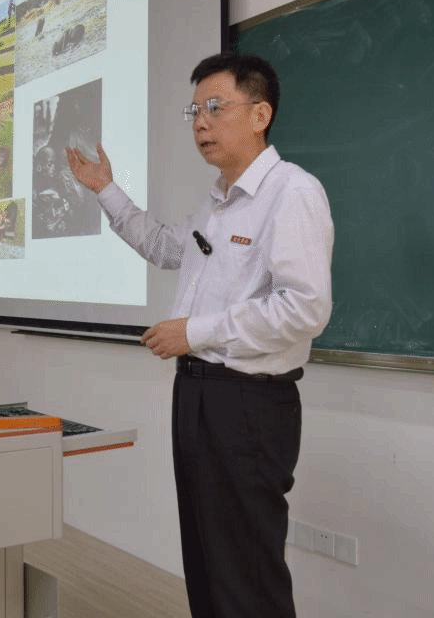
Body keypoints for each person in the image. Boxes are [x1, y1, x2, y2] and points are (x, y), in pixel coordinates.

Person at [65, 52, 334, 618]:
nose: (201, 123)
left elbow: (305, 308)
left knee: (246, 575)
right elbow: (166, 246)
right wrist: (106, 189)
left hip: (249, 404)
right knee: (207, 562)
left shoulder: (292, 192)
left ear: (260, 114)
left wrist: (196, 332)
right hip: (197, 395)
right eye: (194, 111)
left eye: (215, 107)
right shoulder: (217, 203)